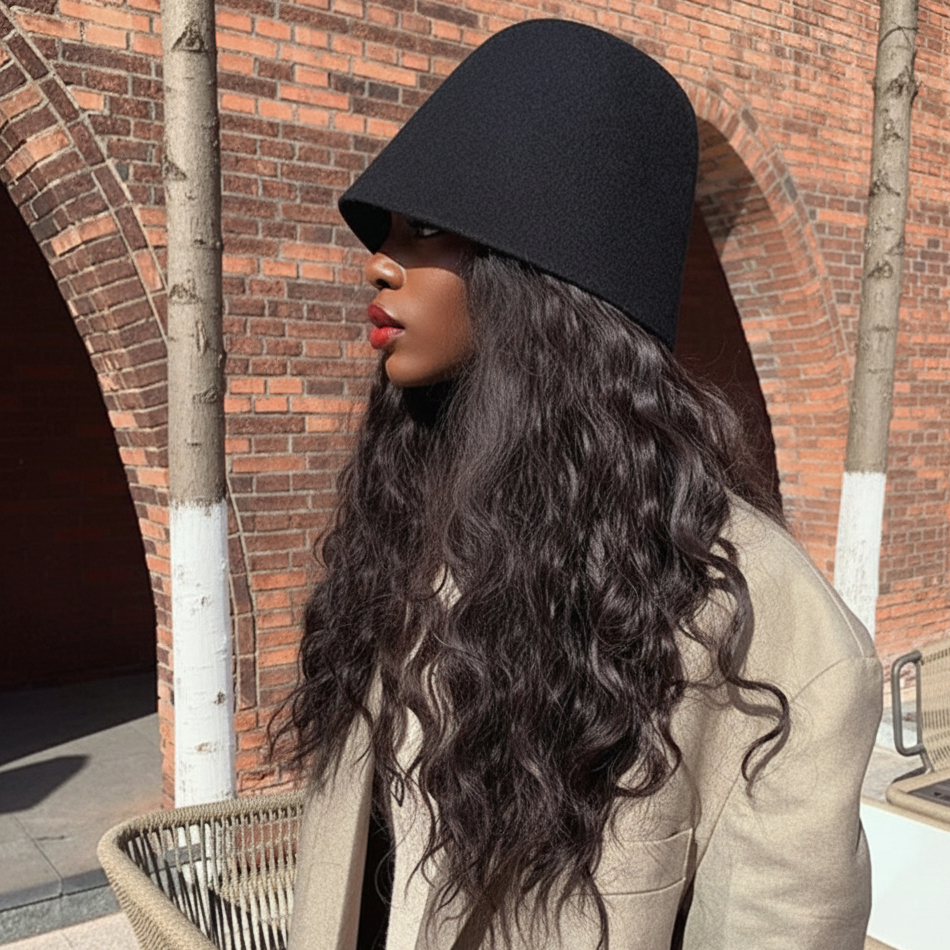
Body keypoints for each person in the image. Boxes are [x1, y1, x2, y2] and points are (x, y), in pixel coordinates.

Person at [278, 19, 882, 950]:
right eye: (388, 228)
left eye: (427, 229)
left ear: (544, 287)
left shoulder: (765, 630)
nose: (380, 261)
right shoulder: (402, 523)